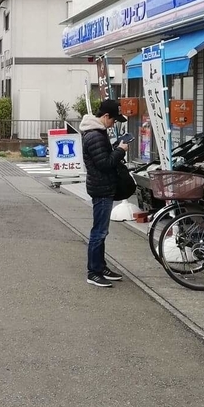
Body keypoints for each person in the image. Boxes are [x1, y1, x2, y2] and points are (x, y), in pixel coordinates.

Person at [80, 99, 132, 288]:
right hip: (101, 188)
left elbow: (103, 158)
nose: (114, 123)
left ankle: (100, 267)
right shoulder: (95, 136)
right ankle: (94, 271)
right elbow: (104, 164)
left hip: (102, 187)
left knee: (102, 231)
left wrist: (116, 147)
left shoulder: (96, 133)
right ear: (105, 116)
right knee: (99, 231)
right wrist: (120, 150)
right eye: (114, 120)